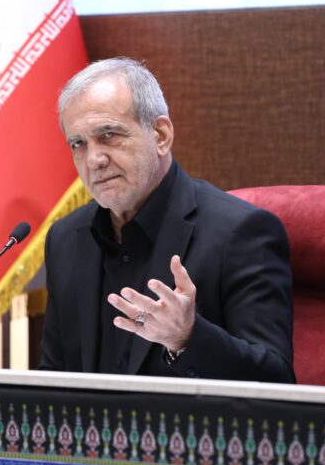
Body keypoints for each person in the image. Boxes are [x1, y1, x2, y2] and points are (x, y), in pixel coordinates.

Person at [38, 57, 294, 382]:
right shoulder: (65, 239)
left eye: (109, 135)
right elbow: (53, 378)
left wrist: (188, 339)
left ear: (160, 135)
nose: (94, 159)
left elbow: (277, 379)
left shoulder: (240, 232)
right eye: (78, 144)